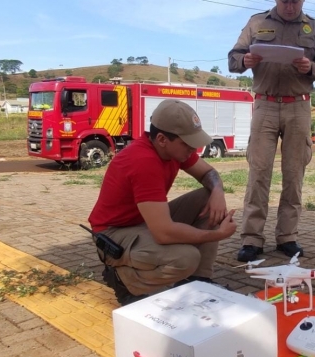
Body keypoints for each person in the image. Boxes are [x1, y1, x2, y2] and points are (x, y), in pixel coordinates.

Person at [228, 0, 315, 262]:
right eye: (285, 0)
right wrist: (244, 60)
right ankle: (251, 239)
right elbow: (232, 59)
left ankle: (287, 237)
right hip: (264, 106)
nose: (290, 6)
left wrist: (310, 68)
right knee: (259, 173)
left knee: (293, 175)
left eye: (295, 1)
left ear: (303, 0)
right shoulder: (257, 23)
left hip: (298, 107)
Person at [88, 99, 237, 305]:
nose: (193, 148)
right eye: (187, 143)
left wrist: (218, 192)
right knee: (186, 258)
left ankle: (199, 281)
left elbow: (209, 173)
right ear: (162, 139)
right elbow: (163, 233)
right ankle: (126, 281)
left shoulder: (173, 150)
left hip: (142, 221)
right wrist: (216, 235)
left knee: (206, 197)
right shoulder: (143, 161)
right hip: (113, 233)